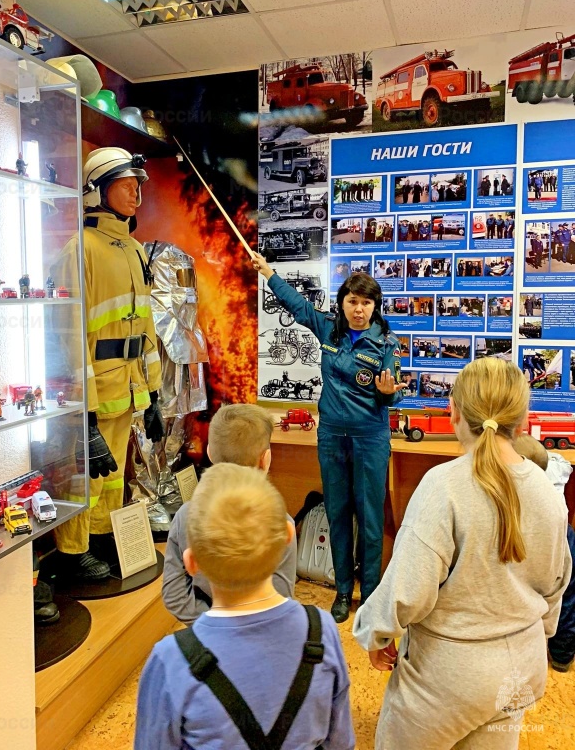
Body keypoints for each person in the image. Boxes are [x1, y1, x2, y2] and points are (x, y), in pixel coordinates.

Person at [353, 358, 571, 749]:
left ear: (453, 412)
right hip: (521, 668)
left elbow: (408, 588)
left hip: (448, 678)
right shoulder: (545, 489)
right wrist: (537, 635)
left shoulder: (443, 485)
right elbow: (557, 583)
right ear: (522, 420)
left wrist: (376, 633)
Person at [135, 464, 355, 750]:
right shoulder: (323, 631)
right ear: (289, 537)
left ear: (191, 563)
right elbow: (340, 742)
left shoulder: (170, 660)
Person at [253, 253, 405, 623]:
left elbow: (396, 393)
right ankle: (341, 591)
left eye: (366, 302)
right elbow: (299, 306)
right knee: (338, 513)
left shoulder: (386, 341)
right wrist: (269, 273)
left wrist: (388, 392)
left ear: (375, 306)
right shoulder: (329, 330)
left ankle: (368, 595)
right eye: (352, 301)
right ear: (342, 303)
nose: (358, 309)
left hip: (371, 437)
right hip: (332, 436)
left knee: (370, 519)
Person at [50, 147, 164, 580]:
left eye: (138, 186)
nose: (136, 194)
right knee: (84, 477)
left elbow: (145, 326)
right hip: (95, 394)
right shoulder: (81, 250)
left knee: (113, 477)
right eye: (126, 185)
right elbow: (68, 335)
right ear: (97, 191)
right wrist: (85, 415)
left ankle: (99, 539)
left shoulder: (133, 249)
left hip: (128, 390)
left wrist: (152, 394)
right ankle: (72, 552)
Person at [162, 404, 297, 624]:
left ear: (209, 452)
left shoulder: (186, 515)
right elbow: (282, 594)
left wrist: (214, 625)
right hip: (264, 636)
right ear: (265, 458)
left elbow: (175, 595)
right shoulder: (280, 522)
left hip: (205, 637)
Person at [514, 434, 575, 674]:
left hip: (528, 538)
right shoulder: (555, 470)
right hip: (561, 536)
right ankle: (562, 656)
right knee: (568, 596)